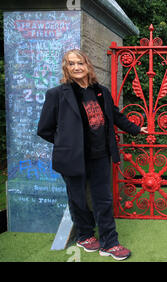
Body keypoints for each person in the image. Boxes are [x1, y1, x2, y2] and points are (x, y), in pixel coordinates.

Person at [37, 49, 147, 261]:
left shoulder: (101, 91)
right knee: (77, 199)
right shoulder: (57, 94)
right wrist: (66, 145)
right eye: (71, 64)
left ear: (88, 65)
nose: (77, 67)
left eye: (80, 63)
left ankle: (109, 243)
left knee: (103, 200)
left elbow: (115, 115)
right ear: (66, 68)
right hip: (72, 157)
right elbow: (44, 129)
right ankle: (85, 236)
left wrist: (135, 129)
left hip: (100, 155)